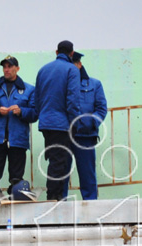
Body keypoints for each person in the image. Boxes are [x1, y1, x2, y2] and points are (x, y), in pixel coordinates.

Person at [0, 55, 37, 194]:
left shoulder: (29, 89)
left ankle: (16, 195)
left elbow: (35, 114)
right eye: (4, 67)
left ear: (17, 68)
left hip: (18, 139)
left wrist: (21, 111)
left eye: (10, 66)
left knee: (17, 177)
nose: (6, 69)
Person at [35, 40, 81, 201]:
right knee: (60, 161)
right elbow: (73, 100)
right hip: (61, 124)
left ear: (56, 52)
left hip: (45, 123)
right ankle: (54, 197)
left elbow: (37, 99)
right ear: (71, 53)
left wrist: (43, 116)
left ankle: (55, 195)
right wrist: (75, 122)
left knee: (54, 159)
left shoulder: (43, 70)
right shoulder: (72, 70)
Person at [67, 51, 107, 200]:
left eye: (73, 65)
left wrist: (89, 123)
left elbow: (101, 108)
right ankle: (60, 204)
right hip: (65, 134)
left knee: (87, 174)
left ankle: (91, 204)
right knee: (61, 173)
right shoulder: (62, 85)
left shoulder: (94, 84)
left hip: (85, 136)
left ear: (79, 64)